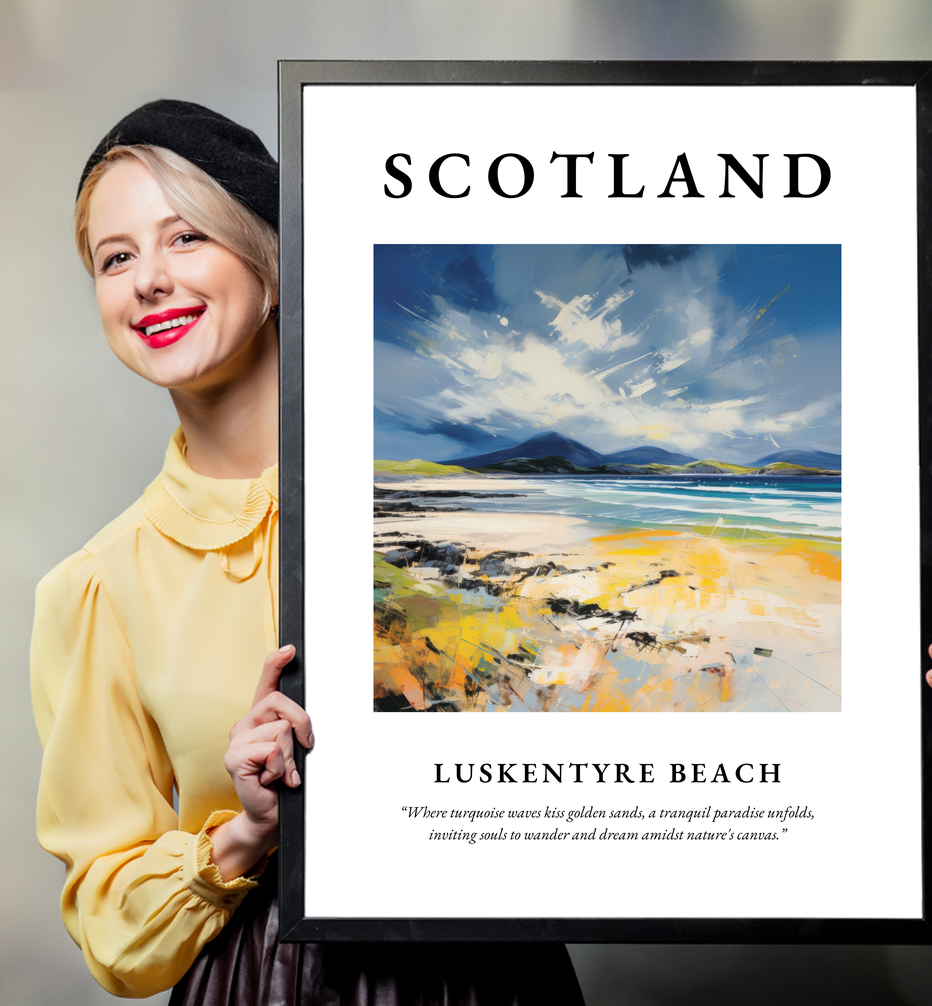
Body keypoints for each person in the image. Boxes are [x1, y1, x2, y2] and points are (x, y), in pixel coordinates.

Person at [30, 100, 585, 1004]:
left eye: (186, 239)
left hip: (492, 973)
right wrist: (245, 832)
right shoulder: (97, 587)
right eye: (116, 257)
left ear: (274, 264)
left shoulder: (455, 510)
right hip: (263, 981)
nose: (148, 281)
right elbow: (110, 924)